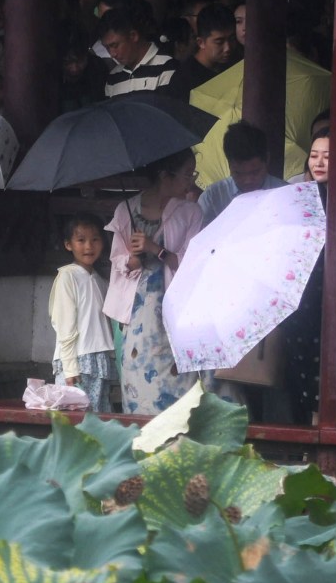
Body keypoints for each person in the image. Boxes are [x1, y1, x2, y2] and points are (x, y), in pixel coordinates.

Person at [105, 149, 204, 413]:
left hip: (173, 309)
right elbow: (117, 262)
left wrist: (155, 249)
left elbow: (193, 263)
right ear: (165, 176)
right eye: (187, 174)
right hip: (136, 310)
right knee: (137, 380)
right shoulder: (125, 211)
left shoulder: (191, 212)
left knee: (179, 386)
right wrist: (133, 259)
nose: (191, 181)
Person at [49, 216, 115, 411]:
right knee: (76, 424)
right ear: (68, 245)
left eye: (95, 239)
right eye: (81, 240)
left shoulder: (101, 280)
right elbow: (65, 326)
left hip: (99, 360)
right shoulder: (67, 276)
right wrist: (70, 368)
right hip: (78, 361)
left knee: (97, 423)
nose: (89, 246)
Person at [200, 121, 275, 223]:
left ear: (267, 159)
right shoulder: (213, 198)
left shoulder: (287, 193)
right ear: (229, 164)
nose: (247, 181)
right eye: (238, 174)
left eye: (255, 172)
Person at [99, 6, 177, 97]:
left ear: (133, 36)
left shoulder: (166, 67)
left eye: (115, 45)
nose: (112, 54)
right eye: (107, 48)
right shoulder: (113, 78)